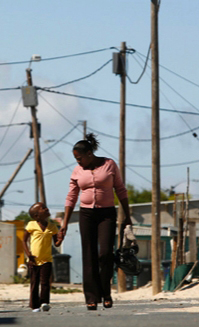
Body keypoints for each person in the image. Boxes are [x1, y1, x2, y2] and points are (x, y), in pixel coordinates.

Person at [58, 133, 132, 311]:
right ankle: (91, 297)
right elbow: (71, 197)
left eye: (80, 158)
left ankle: (106, 292)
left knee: (105, 253)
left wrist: (127, 215)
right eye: (76, 159)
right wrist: (64, 224)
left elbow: (120, 190)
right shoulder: (77, 171)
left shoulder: (109, 165)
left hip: (106, 214)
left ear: (90, 153)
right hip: (86, 215)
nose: (78, 162)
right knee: (89, 255)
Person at [22, 202, 63, 312]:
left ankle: (44, 302)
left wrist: (60, 238)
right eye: (43, 208)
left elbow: (56, 244)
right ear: (36, 216)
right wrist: (28, 254)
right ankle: (35, 305)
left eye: (46, 207)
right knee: (35, 283)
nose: (46, 209)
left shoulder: (52, 226)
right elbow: (24, 241)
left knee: (45, 282)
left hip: (46, 259)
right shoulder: (31, 225)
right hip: (33, 260)